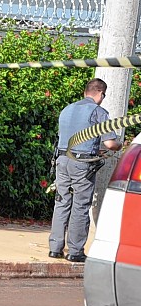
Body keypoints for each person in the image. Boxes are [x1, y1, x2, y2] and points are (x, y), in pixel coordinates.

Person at [48, 78, 122, 262]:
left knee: (62, 201)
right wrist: (120, 145)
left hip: (62, 160)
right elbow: (110, 143)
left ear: (85, 92)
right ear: (101, 94)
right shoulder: (98, 112)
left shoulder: (67, 110)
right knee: (80, 206)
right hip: (82, 165)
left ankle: (55, 249)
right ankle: (75, 252)